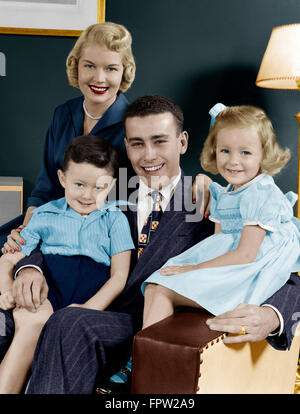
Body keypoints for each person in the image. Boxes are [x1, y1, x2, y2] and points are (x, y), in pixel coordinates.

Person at [13, 95, 214, 394]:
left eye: (159, 141)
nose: (148, 155)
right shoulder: (102, 189)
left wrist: (273, 317)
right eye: (137, 143)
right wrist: (30, 266)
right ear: (126, 146)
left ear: (182, 142)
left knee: (68, 321)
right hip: (89, 310)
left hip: (157, 324)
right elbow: (55, 226)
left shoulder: (207, 199)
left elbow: (275, 258)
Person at [142, 104, 300, 329]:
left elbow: (246, 255)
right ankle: (144, 355)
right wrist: (191, 266)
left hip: (249, 271)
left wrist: (194, 269)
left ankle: (144, 359)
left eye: (245, 152)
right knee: (155, 285)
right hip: (229, 262)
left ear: (263, 154)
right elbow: (216, 242)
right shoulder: (226, 192)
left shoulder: (260, 192)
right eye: (225, 151)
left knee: (162, 289)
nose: (233, 161)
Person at [0, 135, 134, 393]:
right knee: (31, 326)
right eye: (79, 184)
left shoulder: (115, 218)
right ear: (62, 179)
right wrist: (7, 291)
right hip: (48, 294)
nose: (87, 195)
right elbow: (9, 257)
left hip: (90, 298)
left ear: (112, 184)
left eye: (99, 187)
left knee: (60, 338)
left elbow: (119, 277)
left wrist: (88, 308)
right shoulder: (44, 214)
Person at [0, 21, 136, 252]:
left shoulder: (134, 124)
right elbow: (46, 188)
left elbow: (134, 197)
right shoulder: (62, 114)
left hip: (100, 233)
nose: (99, 78)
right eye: (90, 66)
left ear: (124, 71)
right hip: (49, 217)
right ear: (77, 67)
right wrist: (26, 234)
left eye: (111, 68)